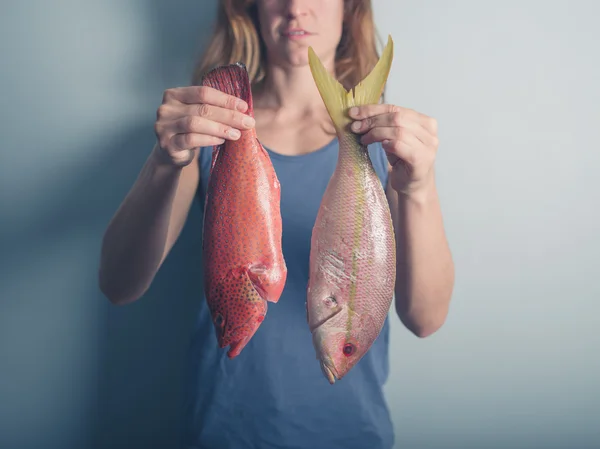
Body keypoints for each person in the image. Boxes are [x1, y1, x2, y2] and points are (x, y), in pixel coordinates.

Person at [98, 0, 455, 448]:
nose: (296, 7)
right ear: (249, 8)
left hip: (350, 434)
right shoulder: (209, 134)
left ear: (351, 9)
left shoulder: (387, 145)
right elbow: (118, 284)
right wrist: (165, 161)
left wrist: (418, 187)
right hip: (222, 433)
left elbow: (425, 317)